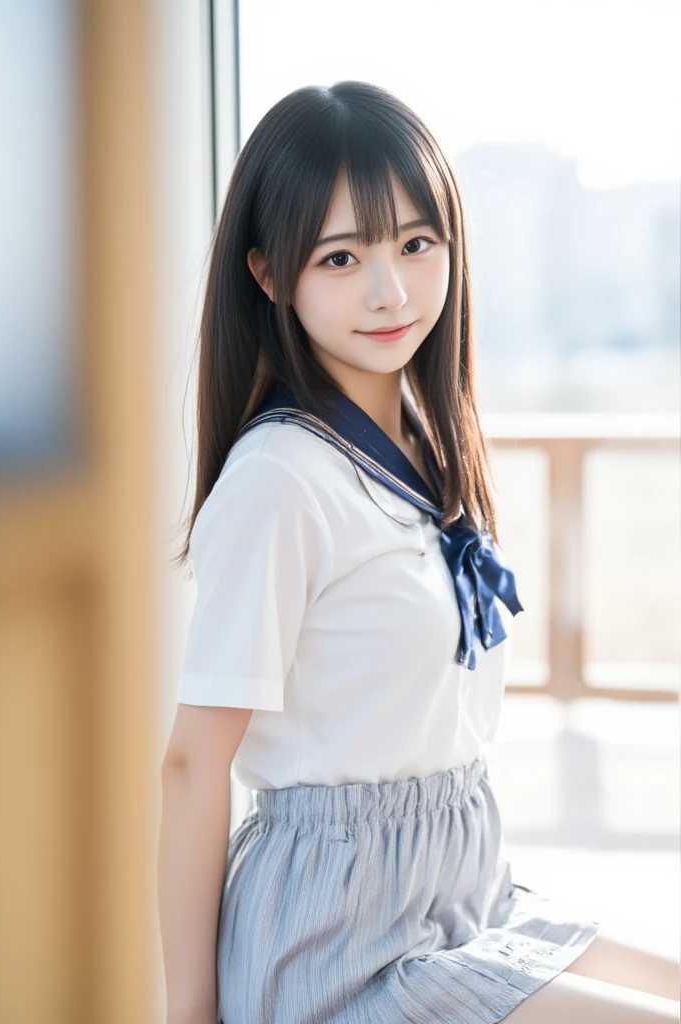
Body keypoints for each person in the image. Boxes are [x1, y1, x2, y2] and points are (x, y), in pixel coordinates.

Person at [158, 81, 680, 1024]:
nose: (390, 289)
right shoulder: (280, 479)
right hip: (338, 944)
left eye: (414, 243)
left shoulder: (426, 456)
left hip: (463, 897)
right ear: (270, 275)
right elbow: (195, 764)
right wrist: (191, 1017)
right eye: (341, 255)